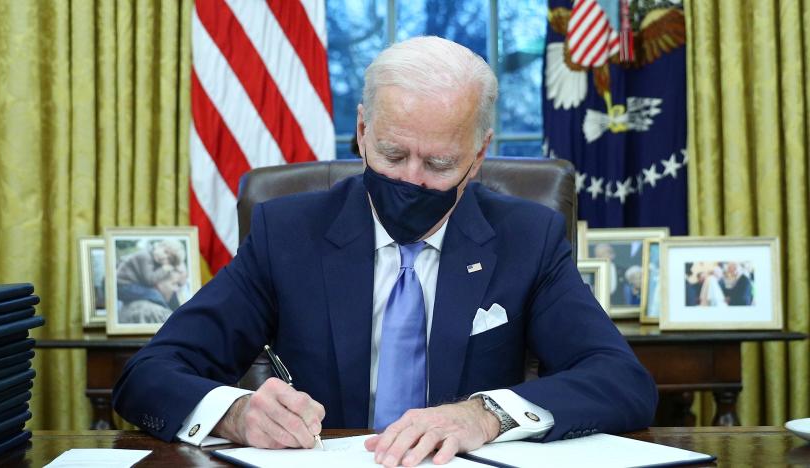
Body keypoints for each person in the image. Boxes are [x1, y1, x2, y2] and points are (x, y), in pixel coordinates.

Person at [113, 36, 656, 467]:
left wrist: (486, 415)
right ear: (362, 130)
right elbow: (150, 374)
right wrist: (235, 413)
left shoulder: (526, 238)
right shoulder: (288, 232)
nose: (411, 180)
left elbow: (620, 380)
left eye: (439, 164)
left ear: (479, 152)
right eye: (393, 154)